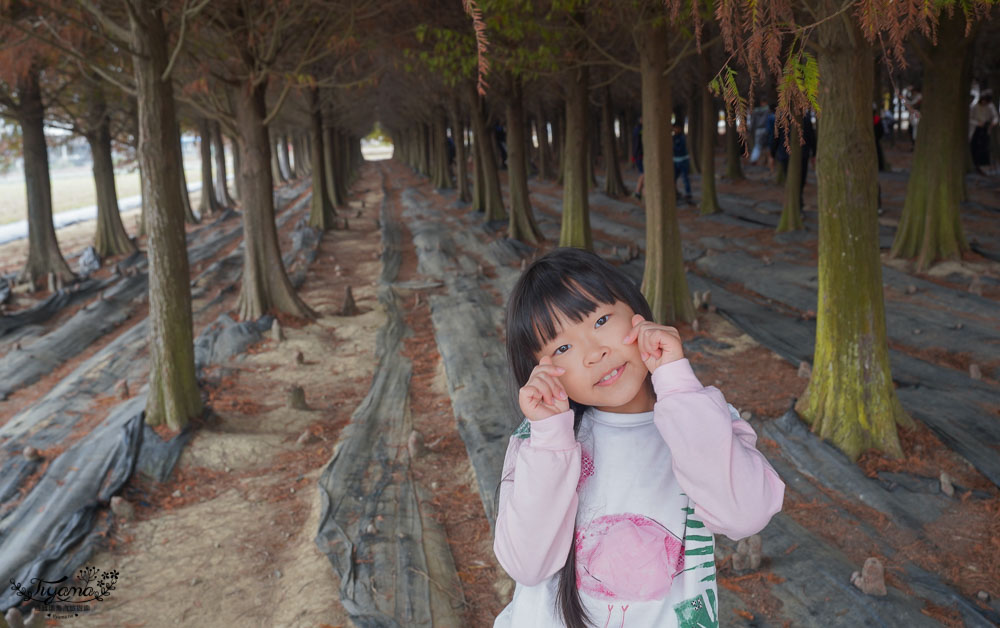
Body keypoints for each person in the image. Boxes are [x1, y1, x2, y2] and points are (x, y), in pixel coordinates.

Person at [493, 248, 785, 628]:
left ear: (637, 314)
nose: (594, 353)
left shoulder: (701, 417)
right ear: (540, 371)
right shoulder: (538, 444)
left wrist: (678, 384)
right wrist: (550, 438)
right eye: (562, 347)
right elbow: (528, 567)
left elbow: (746, 515)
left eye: (600, 320)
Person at [970, 91, 999, 175]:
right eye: (983, 101)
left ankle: (985, 165)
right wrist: (977, 123)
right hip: (976, 129)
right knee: (976, 147)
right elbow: (970, 118)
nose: (984, 103)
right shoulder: (974, 106)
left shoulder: (990, 106)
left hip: (986, 128)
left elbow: (995, 117)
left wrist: (993, 122)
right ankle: (977, 165)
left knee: (985, 147)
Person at [672, 121, 692, 204]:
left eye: (676, 128)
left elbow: (680, 149)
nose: (675, 129)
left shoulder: (682, 138)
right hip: (675, 160)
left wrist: (673, 147)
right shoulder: (673, 137)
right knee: (673, 178)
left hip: (683, 160)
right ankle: (675, 192)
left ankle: (688, 193)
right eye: (674, 128)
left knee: (685, 178)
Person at [632, 117, 644, 199]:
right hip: (639, 155)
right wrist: (635, 155)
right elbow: (636, 144)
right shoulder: (638, 130)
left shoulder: (640, 129)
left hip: (638, 155)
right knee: (643, 173)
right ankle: (638, 192)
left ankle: (639, 192)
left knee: (643, 173)